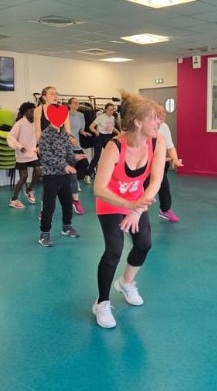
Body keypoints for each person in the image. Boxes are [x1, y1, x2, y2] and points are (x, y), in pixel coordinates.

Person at [91, 90, 167, 329]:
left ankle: (125, 283)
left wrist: (136, 210)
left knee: (144, 243)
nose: (159, 122)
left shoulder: (157, 141)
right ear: (137, 122)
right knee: (114, 250)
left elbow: (156, 181)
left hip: (136, 201)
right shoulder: (114, 146)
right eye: (153, 118)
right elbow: (99, 188)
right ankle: (102, 303)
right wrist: (128, 206)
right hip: (111, 201)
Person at [37, 98, 83, 247]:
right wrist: (65, 166)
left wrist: (75, 157)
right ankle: (44, 234)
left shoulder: (64, 134)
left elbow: (68, 152)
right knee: (49, 206)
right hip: (51, 176)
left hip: (64, 176)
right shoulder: (45, 135)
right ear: (50, 117)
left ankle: (66, 227)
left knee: (67, 203)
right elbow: (47, 157)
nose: (63, 120)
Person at [152, 104, 183, 222]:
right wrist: (154, 158)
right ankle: (129, 212)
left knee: (164, 186)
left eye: (164, 112)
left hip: (159, 164)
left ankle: (164, 210)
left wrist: (175, 159)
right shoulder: (147, 126)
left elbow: (170, 147)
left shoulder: (164, 127)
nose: (164, 114)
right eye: (160, 112)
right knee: (141, 189)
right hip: (145, 164)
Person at [7, 102, 41, 209]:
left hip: (32, 153)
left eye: (34, 111)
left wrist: (39, 146)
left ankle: (29, 190)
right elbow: (10, 137)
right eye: (31, 111)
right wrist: (19, 146)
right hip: (21, 154)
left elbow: (40, 136)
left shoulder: (36, 123)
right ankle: (13, 199)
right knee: (24, 176)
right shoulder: (19, 124)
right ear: (25, 113)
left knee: (39, 172)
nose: (34, 113)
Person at [68, 97, 91, 214]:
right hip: (67, 144)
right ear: (69, 104)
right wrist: (70, 139)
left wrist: (84, 132)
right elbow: (64, 130)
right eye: (74, 102)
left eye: (78, 103)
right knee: (71, 166)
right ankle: (73, 187)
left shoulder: (81, 115)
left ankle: (75, 181)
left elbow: (80, 130)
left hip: (77, 144)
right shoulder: (65, 115)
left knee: (84, 163)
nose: (77, 104)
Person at [87, 103, 119, 180]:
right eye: (109, 109)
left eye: (113, 109)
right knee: (97, 157)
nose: (111, 111)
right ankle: (88, 175)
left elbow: (112, 128)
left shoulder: (112, 118)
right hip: (100, 137)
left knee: (113, 155)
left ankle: (111, 174)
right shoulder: (101, 117)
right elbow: (91, 127)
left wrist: (118, 132)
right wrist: (95, 131)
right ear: (105, 110)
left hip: (108, 137)